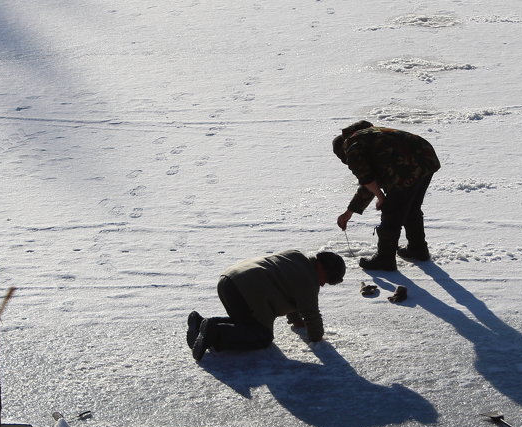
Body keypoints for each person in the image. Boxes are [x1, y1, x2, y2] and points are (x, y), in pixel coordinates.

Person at [187, 250, 345, 362]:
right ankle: (214, 333)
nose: (323, 284)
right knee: (261, 337)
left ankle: (201, 323)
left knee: (246, 324)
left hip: (228, 281)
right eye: (327, 279)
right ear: (323, 268)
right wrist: (318, 341)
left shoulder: (296, 257)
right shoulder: (309, 280)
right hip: (248, 290)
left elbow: (293, 295)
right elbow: (311, 314)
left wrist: (297, 321)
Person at [333, 120, 441, 271]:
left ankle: (385, 259)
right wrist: (349, 212)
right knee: (411, 208)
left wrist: (382, 198)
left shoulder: (352, 147)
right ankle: (418, 249)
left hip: (406, 166)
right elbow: (370, 183)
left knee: (391, 211)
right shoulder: (369, 135)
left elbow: (367, 179)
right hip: (427, 158)